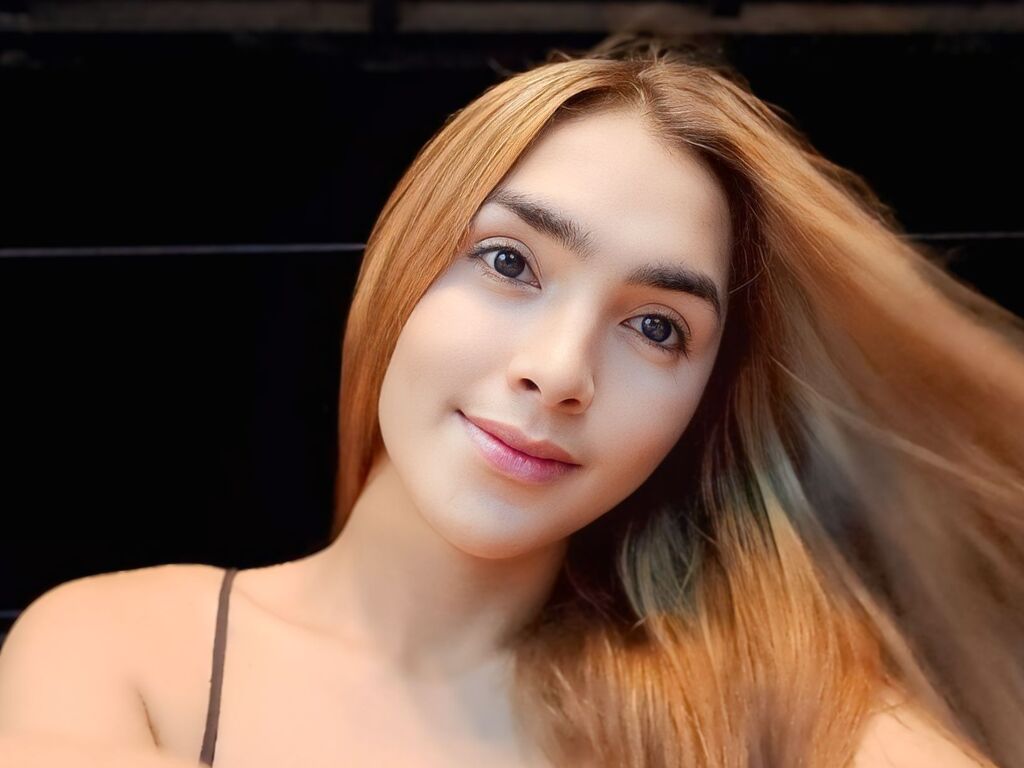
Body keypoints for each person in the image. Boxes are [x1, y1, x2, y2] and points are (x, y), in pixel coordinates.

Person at [1, 32, 1022, 768]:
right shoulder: (121, 650)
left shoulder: (766, 701)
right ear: (402, 264)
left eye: (655, 326)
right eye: (507, 262)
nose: (560, 370)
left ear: (701, 406)